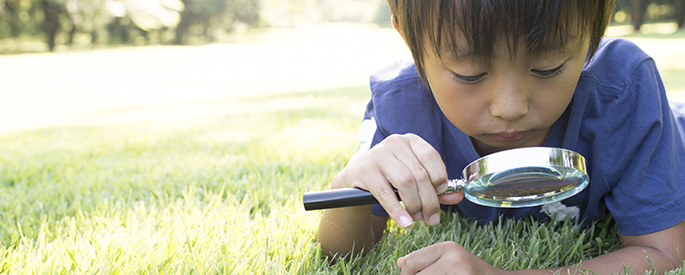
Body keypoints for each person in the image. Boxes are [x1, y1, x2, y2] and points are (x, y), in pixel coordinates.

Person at [316, 0, 685, 274]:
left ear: (592, 36)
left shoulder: (623, 90)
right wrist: (351, 184)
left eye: (548, 67)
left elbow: (664, 253)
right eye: (470, 73)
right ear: (410, 40)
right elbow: (342, 253)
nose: (510, 107)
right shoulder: (400, 107)